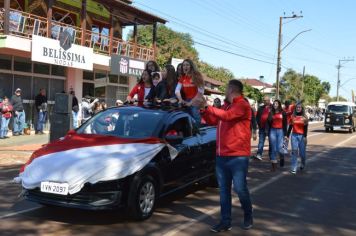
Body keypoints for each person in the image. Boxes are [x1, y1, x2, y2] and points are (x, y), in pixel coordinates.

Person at [202, 79, 253, 232]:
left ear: (232, 89)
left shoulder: (243, 105)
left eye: (226, 88)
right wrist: (203, 109)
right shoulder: (225, 106)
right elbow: (213, 120)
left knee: (239, 188)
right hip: (221, 155)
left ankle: (248, 214)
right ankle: (226, 221)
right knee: (224, 190)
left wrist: (207, 106)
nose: (224, 91)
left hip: (238, 155)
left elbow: (228, 116)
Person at [175, 59, 205, 126]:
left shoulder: (197, 76)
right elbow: (177, 90)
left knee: (195, 118)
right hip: (187, 101)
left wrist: (191, 103)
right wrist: (180, 100)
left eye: (187, 65)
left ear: (191, 66)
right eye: (184, 65)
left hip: (197, 101)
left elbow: (201, 92)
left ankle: (197, 133)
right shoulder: (183, 77)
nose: (185, 67)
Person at [286, 102, 308, 174]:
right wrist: (287, 136)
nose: (298, 108)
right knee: (294, 152)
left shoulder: (305, 118)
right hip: (294, 136)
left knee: (302, 153)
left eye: (299, 107)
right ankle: (294, 167)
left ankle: (302, 163)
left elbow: (305, 128)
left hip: (302, 136)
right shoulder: (293, 117)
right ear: (295, 109)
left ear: (302, 109)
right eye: (297, 107)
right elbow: (290, 127)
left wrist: (305, 137)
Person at [266, 99, 287, 171]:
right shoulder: (271, 112)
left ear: (279, 105)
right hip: (272, 131)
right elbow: (268, 123)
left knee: (279, 148)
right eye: (274, 104)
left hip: (280, 131)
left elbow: (285, 124)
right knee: (273, 148)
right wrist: (267, 133)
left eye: (276, 104)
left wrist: (285, 134)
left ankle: (282, 157)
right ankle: (274, 166)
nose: (275, 105)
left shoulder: (283, 113)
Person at [254, 96, 272, 161]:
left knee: (271, 142)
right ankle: (259, 154)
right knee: (261, 142)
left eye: (266, 100)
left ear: (269, 100)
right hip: (262, 127)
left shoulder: (273, 107)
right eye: (264, 100)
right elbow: (257, 117)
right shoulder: (261, 108)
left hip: (270, 128)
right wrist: (258, 124)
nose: (265, 101)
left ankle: (271, 155)